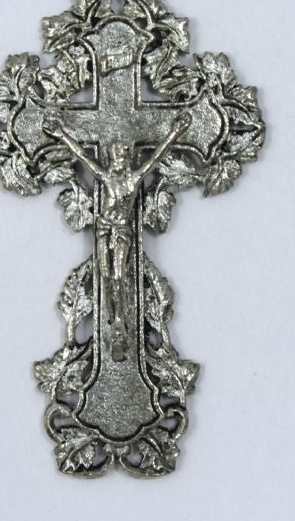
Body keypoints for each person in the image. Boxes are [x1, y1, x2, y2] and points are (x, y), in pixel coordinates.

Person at [43, 111, 191, 360]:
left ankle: (120, 321)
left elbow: (156, 157)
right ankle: (112, 319)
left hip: (122, 231)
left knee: (120, 275)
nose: (119, 161)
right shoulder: (106, 177)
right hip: (103, 229)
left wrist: (176, 132)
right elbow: (82, 156)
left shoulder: (133, 180)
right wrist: (60, 134)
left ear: (127, 159)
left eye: (122, 157)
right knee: (104, 273)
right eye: (115, 157)